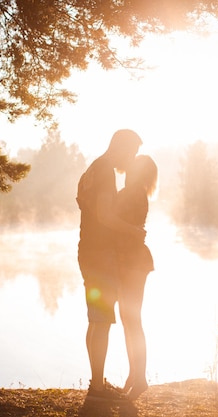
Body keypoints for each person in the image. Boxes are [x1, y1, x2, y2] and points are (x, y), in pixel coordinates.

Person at [76, 129, 146, 401]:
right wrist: (132, 231)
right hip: (100, 254)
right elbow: (104, 215)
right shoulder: (104, 171)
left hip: (88, 251)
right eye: (133, 154)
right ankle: (97, 389)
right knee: (102, 321)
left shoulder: (91, 171)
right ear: (122, 148)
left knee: (96, 320)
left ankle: (97, 383)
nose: (132, 160)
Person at [116, 155, 158, 401]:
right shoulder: (133, 192)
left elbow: (117, 222)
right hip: (128, 261)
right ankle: (134, 374)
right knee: (127, 320)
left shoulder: (134, 193)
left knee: (133, 320)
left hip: (133, 262)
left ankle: (140, 378)